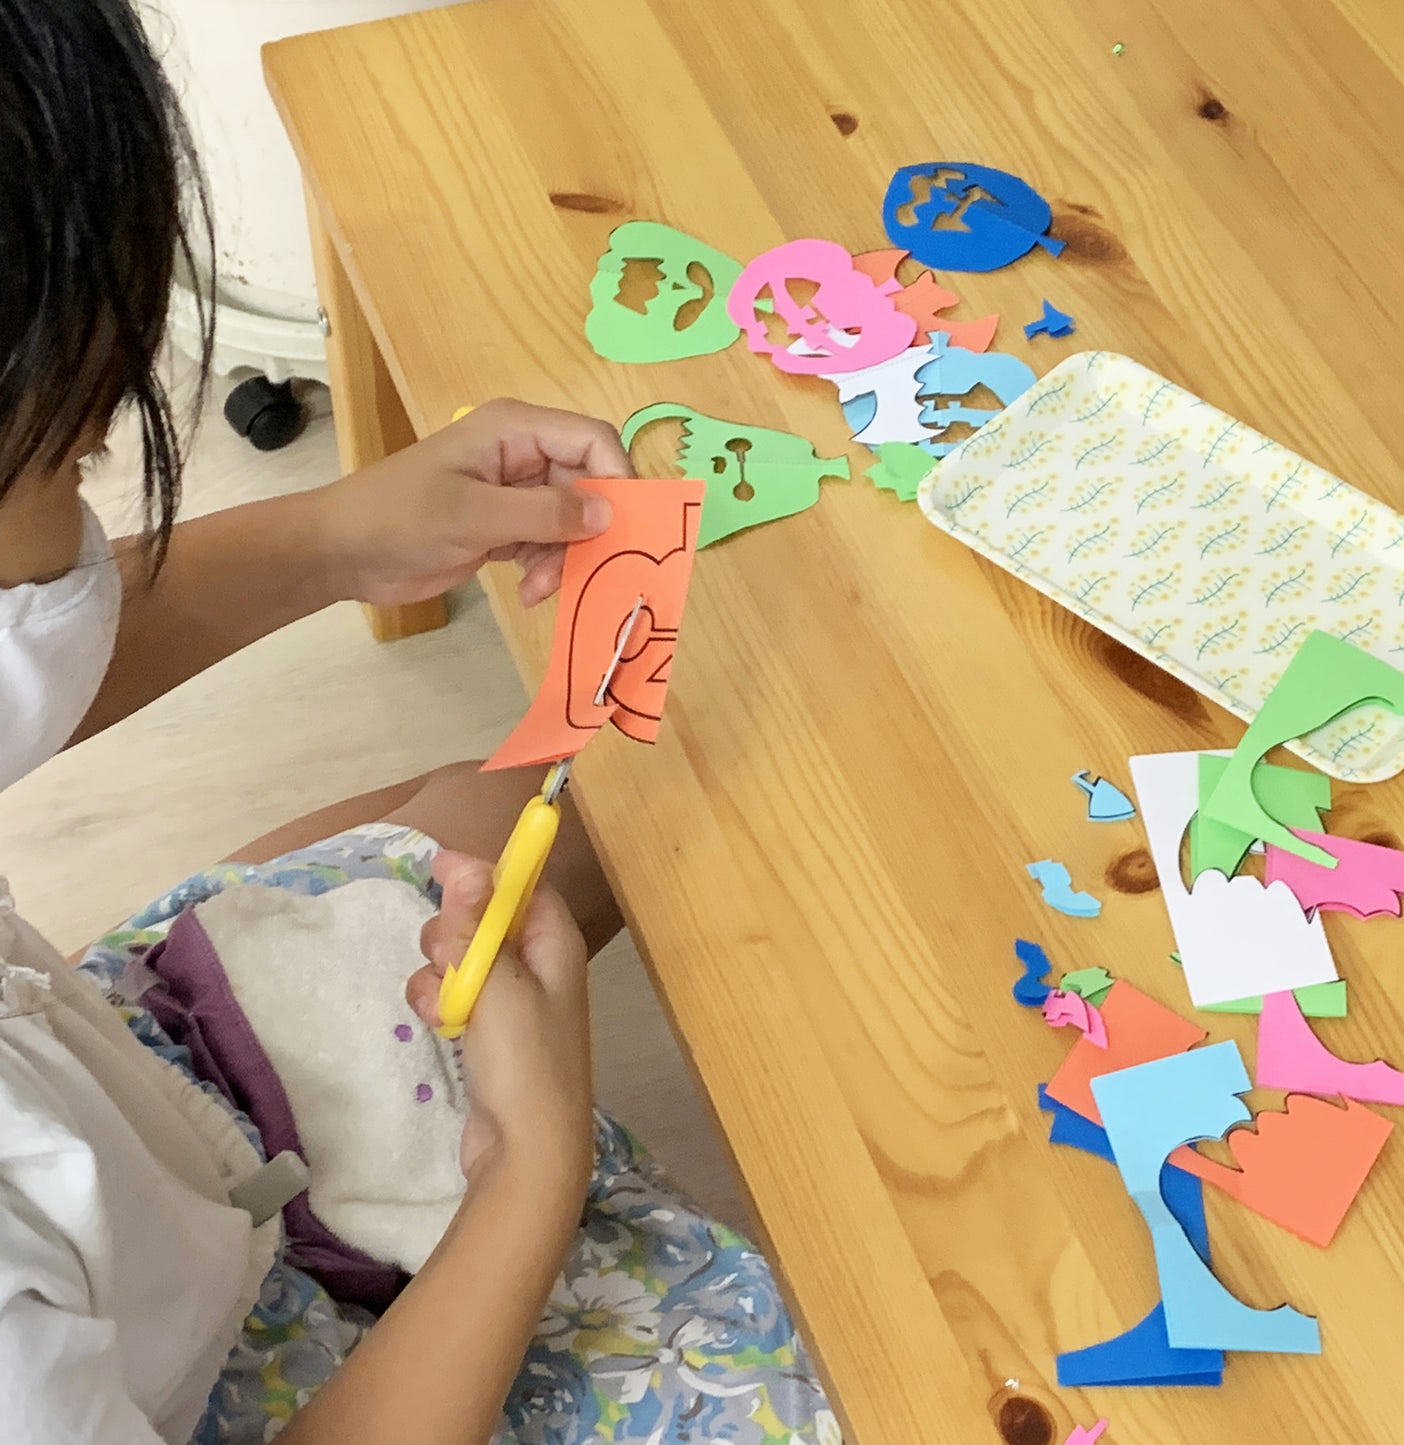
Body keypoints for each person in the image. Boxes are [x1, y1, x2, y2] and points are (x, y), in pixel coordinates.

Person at [0, 4, 838, 1442]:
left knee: (528, 816)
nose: (89, 496)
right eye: (79, 455)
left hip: (125, 1122)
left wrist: (343, 537)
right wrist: (525, 1177)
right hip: (234, 1386)